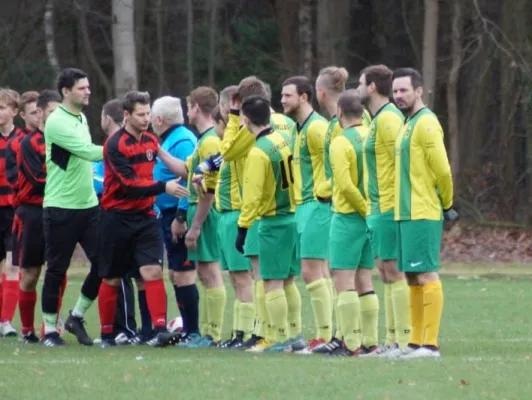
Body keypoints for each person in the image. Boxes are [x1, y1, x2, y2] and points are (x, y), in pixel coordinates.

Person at [97, 91, 189, 348]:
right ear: (126, 115)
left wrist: (197, 170)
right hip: (116, 217)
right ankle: (107, 334)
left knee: (152, 271)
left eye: (148, 113)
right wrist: (164, 188)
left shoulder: (150, 139)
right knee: (112, 277)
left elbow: (174, 164)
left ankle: (159, 329)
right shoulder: (115, 144)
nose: (146, 118)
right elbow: (129, 184)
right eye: (140, 114)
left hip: (145, 217)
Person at [391, 67, 458, 359]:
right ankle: (416, 343)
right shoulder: (407, 123)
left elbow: (442, 169)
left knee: (427, 273)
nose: (398, 96)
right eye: (395, 91)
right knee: (411, 276)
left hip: (423, 210)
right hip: (404, 212)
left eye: (404, 90)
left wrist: (447, 203)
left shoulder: (427, 123)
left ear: (419, 90)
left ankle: (430, 344)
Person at [41, 68, 104, 347]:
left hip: (89, 206)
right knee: (56, 269)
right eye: (82, 88)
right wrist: (124, 145)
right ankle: (50, 331)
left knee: (103, 263)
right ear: (66, 92)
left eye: (88, 87)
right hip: (60, 207)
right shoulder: (56, 122)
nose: (88, 91)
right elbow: (89, 151)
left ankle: (76, 315)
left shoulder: (82, 117)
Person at [236, 94, 297, 353]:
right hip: (292, 216)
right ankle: (293, 333)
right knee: (287, 281)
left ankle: (276, 337)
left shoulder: (258, 152)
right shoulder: (282, 140)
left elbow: (252, 196)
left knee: (271, 281)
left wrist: (242, 228)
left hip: (272, 221)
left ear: (247, 120)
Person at [358, 64, 410, 356]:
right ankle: (392, 340)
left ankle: (403, 340)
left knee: (394, 271)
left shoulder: (389, 119)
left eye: (360, 83)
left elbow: (401, 161)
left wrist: (394, 203)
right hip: (377, 207)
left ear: (372, 87)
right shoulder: (376, 118)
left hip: (390, 206)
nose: (357, 88)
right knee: (385, 271)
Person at [281, 75, 332, 353]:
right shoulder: (296, 129)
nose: (282, 100)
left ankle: (325, 336)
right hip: (301, 207)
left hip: (316, 206)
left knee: (312, 273)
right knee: (318, 272)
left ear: (304, 97)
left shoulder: (317, 128)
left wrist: (324, 193)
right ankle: (329, 334)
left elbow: (334, 163)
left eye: (288, 95)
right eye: (282, 95)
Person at [173, 86, 225, 348]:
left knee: (210, 273)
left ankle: (212, 334)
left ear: (195, 107)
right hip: (197, 210)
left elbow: (210, 190)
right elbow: (187, 171)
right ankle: (207, 333)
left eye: (188, 106)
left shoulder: (211, 142)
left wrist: (195, 226)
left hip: (205, 213)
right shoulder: (203, 140)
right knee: (205, 274)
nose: (186, 111)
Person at [324, 89, 374, 356]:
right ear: (363, 112)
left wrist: (364, 211)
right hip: (371, 219)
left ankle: (351, 343)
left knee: (343, 280)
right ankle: (370, 340)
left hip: (348, 218)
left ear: (339, 112)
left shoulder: (341, 142)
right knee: (365, 279)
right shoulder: (371, 135)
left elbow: (345, 185)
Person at [93, 98, 145, 345]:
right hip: (123, 215)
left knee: (122, 273)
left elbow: (130, 183)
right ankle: (117, 328)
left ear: (107, 119)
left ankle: (126, 327)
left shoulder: (118, 146)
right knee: (118, 273)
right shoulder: (114, 145)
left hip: (127, 215)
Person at [151, 95, 199, 342]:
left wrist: (180, 217)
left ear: (158, 119)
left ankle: (193, 331)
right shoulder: (172, 138)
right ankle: (187, 329)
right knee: (175, 273)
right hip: (166, 213)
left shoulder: (183, 140)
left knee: (184, 273)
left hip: (177, 214)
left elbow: (191, 179)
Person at [15, 90, 61, 343]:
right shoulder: (29, 143)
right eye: (52, 112)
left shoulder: (63, 140)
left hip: (60, 210)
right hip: (33, 212)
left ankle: (51, 328)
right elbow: (37, 180)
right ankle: (26, 330)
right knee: (31, 273)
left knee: (57, 270)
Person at [212, 86, 255, 349]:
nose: (221, 109)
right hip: (226, 213)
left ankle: (246, 332)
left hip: (239, 211)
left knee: (243, 277)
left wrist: (235, 118)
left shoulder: (241, 133)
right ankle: (239, 331)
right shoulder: (234, 133)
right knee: (235, 278)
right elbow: (222, 158)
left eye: (223, 104)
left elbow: (229, 152)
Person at [0, 88, 22, 337]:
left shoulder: (23, 140)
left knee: (13, 265)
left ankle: (6, 321)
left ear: (14, 111)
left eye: (2, 107)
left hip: (16, 212)